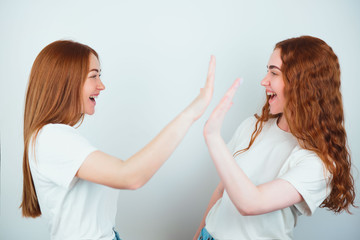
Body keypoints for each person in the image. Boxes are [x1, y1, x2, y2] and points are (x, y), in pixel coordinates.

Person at [20, 40, 216, 240]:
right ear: (66, 81)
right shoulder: (51, 138)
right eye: (93, 76)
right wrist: (190, 113)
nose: (101, 85)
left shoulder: (56, 137)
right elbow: (129, 175)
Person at [194, 35, 356, 240]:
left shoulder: (319, 163)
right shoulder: (253, 126)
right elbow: (221, 191)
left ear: (303, 84)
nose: (264, 81)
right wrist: (199, 234)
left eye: (274, 73)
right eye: (267, 71)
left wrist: (212, 137)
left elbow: (251, 203)